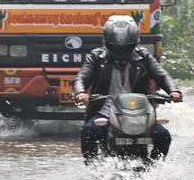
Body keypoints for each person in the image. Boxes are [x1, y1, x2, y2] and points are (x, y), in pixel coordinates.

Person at [72, 15, 183, 161]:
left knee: (163, 136)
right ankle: (95, 169)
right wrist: (80, 92)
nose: (120, 49)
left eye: (126, 46)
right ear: (106, 41)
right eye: (116, 46)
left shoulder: (144, 56)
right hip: (105, 111)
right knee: (89, 132)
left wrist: (174, 91)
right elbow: (81, 78)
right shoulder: (96, 57)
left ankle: (153, 167)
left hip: (141, 113)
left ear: (135, 42)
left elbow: (162, 76)